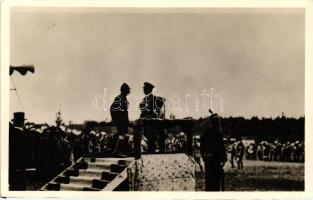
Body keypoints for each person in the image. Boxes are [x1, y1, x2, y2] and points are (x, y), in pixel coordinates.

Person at [199, 114, 227, 191]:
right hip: (215, 160)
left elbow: (202, 149)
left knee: (210, 180)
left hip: (209, 160)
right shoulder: (217, 134)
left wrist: (204, 157)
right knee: (215, 180)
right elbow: (221, 147)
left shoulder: (205, 134)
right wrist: (223, 159)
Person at [139, 82, 164, 152]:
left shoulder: (154, 98)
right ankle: (151, 150)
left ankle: (152, 151)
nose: (143, 89)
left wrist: (155, 111)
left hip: (151, 122)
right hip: (145, 122)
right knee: (147, 137)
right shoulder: (145, 99)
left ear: (148, 89)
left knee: (151, 138)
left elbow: (161, 102)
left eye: (144, 88)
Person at [110, 83, 131, 157]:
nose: (129, 92)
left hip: (124, 122)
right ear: (124, 90)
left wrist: (127, 121)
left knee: (123, 135)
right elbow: (112, 109)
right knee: (122, 135)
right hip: (120, 121)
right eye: (128, 90)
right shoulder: (119, 98)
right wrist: (116, 119)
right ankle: (118, 152)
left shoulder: (124, 98)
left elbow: (125, 112)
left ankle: (120, 151)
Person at [9, 112, 27, 190]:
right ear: (22, 122)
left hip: (11, 166)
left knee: (12, 186)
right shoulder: (23, 136)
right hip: (20, 167)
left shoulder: (9, 133)